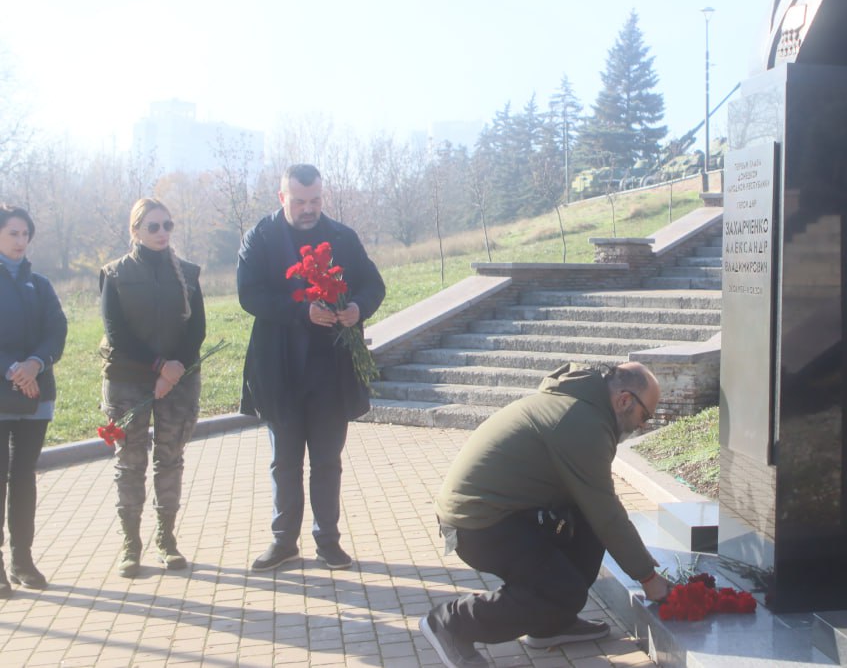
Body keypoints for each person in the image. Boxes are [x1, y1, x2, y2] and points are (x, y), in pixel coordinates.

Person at [419, 362, 673, 668]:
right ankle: (451, 622)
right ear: (624, 400)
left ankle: (550, 626)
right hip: (477, 524)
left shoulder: (582, 406)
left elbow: (598, 511)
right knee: (563, 591)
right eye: (645, 416)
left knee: (587, 528)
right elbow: (608, 513)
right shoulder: (582, 423)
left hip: (507, 514)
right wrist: (647, 577)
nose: (642, 425)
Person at [238, 163, 385, 572]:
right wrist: (301, 312)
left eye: (316, 200)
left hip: (330, 370)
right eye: (300, 201)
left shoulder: (342, 237)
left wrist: (357, 308)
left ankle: (328, 541)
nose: (308, 209)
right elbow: (249, 296)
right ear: (282, 197)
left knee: (327, 460)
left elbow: (375, 285)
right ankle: (284, 541)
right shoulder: (260, 237)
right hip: (279, 366)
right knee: (283, 461)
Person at [99, 198, 206, 578]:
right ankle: (131, 545)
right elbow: (117, 333)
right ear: (136, 231)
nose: (162, 233)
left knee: (170, 459)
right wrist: (159, 367)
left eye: (167, 225)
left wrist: (173, 370)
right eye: (153, 227)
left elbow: (196, 331)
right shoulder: (114, 274)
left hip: (179, 380)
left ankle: (167, 539)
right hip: (128, 379)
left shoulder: (189, 274)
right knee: (129, 464)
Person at [0, 205, 67, 597]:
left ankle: (21, 559)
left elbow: (56, 329)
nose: (21, 241)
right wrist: (13, 370)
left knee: (23, 476)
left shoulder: (39, 284)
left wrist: (35, 364)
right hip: (5, 389)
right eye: (13, 233)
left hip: (37, 394)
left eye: (25, 234)